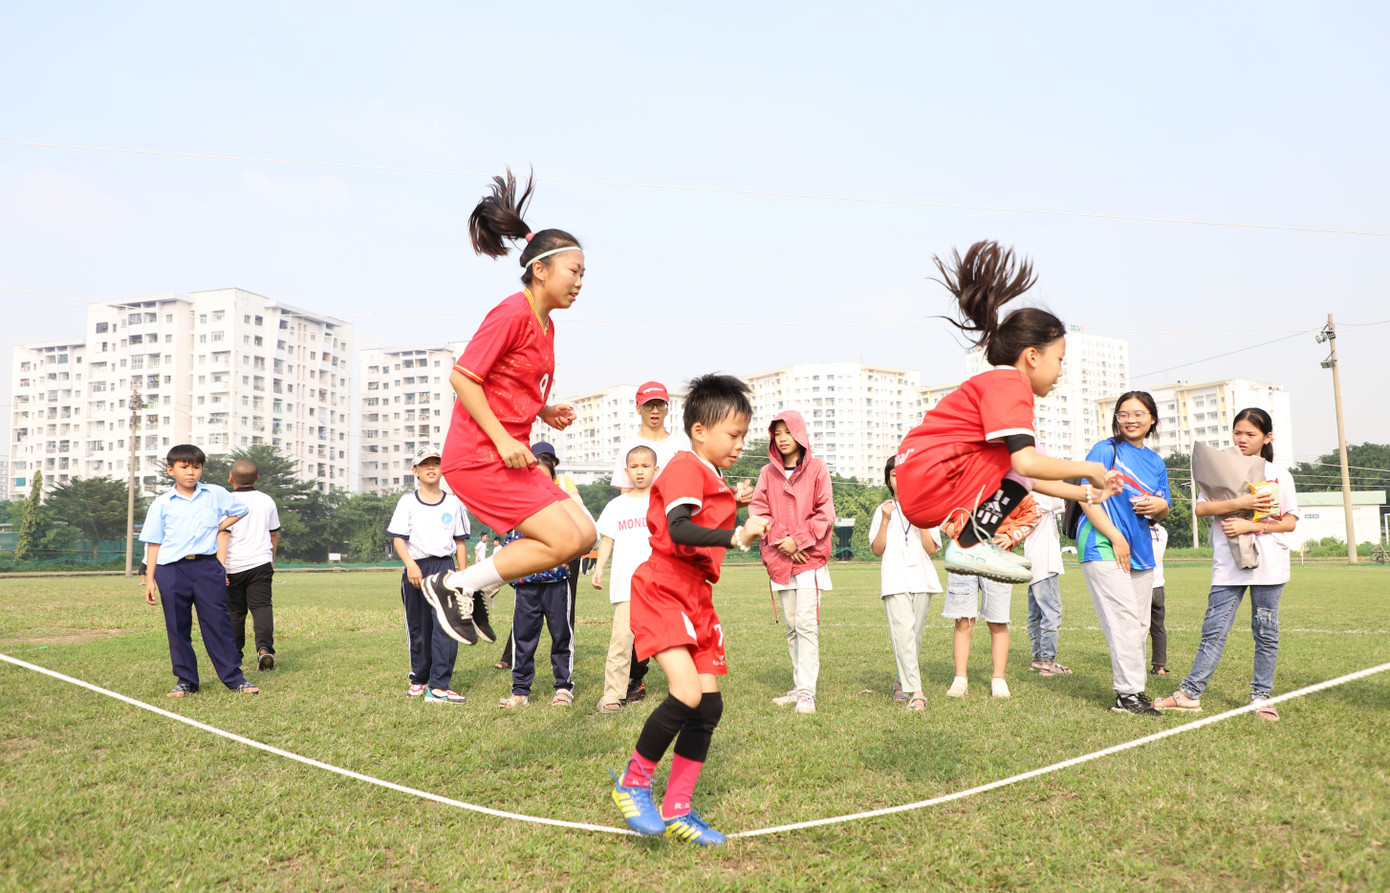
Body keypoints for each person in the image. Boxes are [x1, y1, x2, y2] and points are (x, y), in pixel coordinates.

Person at [421, 170, 594, 647]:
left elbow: (508, 384)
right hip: (480, 457)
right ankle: (455, 584)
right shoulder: (512, 312)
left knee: (584, 535)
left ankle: (476, 587)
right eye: (573, 271)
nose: (580, 282)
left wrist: (543, 410)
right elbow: (464, 376)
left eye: (583, 275)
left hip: (508, 454)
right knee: (560, 541)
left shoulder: (546, 324)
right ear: (541, 270)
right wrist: (502, 438)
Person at [895, 241, 1123, 585]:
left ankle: (973, 541)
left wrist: (1085, 493)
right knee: (1026, 455)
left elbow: (1028, 474)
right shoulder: (1011, 384)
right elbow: (1026, 466)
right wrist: (1091, 469)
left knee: (1026, 454)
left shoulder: (995, 383)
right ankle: (971, 542)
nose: (1060, 371)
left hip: (921, 480)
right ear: (1033, 356)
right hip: (930, 477)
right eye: (1059, 359)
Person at [610, 374, 769, 846]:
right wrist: (736, 534)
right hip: (663, 586)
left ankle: (678, 809)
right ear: (700, 430)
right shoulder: (682, 466)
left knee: (709, 704)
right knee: (685, 692)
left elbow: (703, 513)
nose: (740, 444)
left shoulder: (711, 476)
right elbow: (678, 529)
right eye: (733, 435)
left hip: (697, 593)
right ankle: (633, 782)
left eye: (744, 435)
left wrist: (732, 506)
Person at [1155, 408, 1300, 721]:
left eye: (1251, 434)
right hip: (1228, 565)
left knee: (1266, 633)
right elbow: (1202, 508)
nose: (1243, 439)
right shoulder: (1219, 469)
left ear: (1267, 437)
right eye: (1238, 433)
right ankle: (1189, 694)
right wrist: (1242, 504)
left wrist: (1252, 526)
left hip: (1269, 566)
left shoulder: (1279, 474)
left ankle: (1261, 697)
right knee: (1213, 631)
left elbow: (1289, 522)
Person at [1077, 391, 1171, 716]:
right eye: (1123, 414)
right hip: (1103, 544)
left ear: (1152, 419)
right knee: (1125, 623)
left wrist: (1161, 508)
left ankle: (1134, 692)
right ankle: (1128, 696)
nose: (1130, 420)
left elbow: (1161, 509)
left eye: (1138, 414)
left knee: (1140, 623)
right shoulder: (1106, 450)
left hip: (1141, 551)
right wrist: (1116, 536)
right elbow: (1085, 496)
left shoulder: (1157, 462)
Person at [139, 444, 258, 697]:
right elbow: (154, 543)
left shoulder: (215, 494)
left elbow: (241, 510)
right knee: (177, 626)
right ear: (172, 470)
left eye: (196, 467)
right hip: (171, 570)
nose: (190, 472)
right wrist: (150, 580)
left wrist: (218, 527)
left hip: (207, 566)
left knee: (218, 623)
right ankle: (186, 681)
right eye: (184, 467)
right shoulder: (161, 504)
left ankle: (234, 678)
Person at [750, 411, 834, 715]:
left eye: (787, 432)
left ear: (799, 433)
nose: (783, 438)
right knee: (790, 626)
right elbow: (759, 511)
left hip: (810, 558)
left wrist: (798, 541)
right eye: (777, 433)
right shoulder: (766, 474)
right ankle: (799, 686)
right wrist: (784, 542)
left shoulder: (818, 469)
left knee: (806, 624)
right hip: (778, 558)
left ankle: (807, 693)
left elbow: (825, 512)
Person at [493, 441, 593, 670]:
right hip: (536, 551)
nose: (539, 463)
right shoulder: (523, 485)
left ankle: (565, 655)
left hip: (567, 553)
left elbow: (578, 507)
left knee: (565, 608)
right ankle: (511, 656)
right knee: (526, 607)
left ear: (554, 463)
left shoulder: (564, 483)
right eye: (536, 459)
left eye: (547, 459)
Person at [389, 447, 471, 704]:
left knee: (447, 627)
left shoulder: (454, 503)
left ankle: (439, 686)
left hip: (444, 569)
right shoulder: (407, 502)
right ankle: (419, 679)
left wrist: (463, 576)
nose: (431, 468)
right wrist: (411, 565)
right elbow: (399, 540)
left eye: (436, 463)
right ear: (416, 471)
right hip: (416, 569)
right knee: (419, 626)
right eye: (425, 464)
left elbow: (459, 542)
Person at [496, 455, 577, 708]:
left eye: (544, 477)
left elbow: (580, 534)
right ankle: (520, 691)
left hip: (556, 584)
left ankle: (563, 688)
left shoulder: (563, 508)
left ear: (553, 480)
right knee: (523, 638)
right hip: (526, 587)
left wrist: (570, 557)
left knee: (561, 636)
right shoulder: (517, 509)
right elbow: (510, 546)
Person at [869, 455, 943, 711]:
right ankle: (918, 693)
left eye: (903, 473)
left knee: (914, 637)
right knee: (902, 635)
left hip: (922, 579)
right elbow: (877, 549)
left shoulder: (928, 506)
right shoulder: (883, 510)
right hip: (894, 579)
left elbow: (931, 548)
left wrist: (921, 517)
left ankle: (901, 682)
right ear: (889, 481)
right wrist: (887, 520)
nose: (898, 479)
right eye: (893, 475)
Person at [592, 445, 658, 713]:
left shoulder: (664, 503)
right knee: (621, 640)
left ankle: (684, 690)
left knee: (668, 640)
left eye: (645, 466)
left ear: (656, 470)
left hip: (660, 586)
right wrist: (598, 569)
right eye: (634, 466)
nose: (639, 471)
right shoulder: (616, 505)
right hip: (627, 586)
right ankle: (612, 696)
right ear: (626, 471)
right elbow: (608, 540)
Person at [224, 459, 281, 671]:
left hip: (232, 564)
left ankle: (233, 655)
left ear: (231, 478)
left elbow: (221, 533)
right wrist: (270, 558)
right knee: (262, 607)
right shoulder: (267, 500)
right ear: (257, 478)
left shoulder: (225, 500)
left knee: (235, 612)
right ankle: (264, 649)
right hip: (261, 562)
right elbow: (273, 532)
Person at [1024, 488, 1071, 676]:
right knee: (1051, 613)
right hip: (1045, 563)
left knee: (1035, 615)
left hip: (1034, 561)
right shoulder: (1040, 494)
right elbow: (1064, 497)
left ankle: (1038, 659)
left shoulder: (1028, 496)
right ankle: (1047, 663)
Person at [610, 381, 687, 490]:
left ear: (666, 410)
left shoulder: (680, 447)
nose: (655, 411)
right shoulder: (628, 447)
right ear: (638, 409)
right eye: (649, 405)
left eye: (660, 405)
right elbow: (626, 489)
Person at [1149, 522, 1170, 676]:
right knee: (1158, 628)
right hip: (1158, 586)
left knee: (1136, 629)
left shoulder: (1139, 530)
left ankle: (1133, 664)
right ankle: (1160, 666)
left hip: (1141, 586)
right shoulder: (1162, 532)